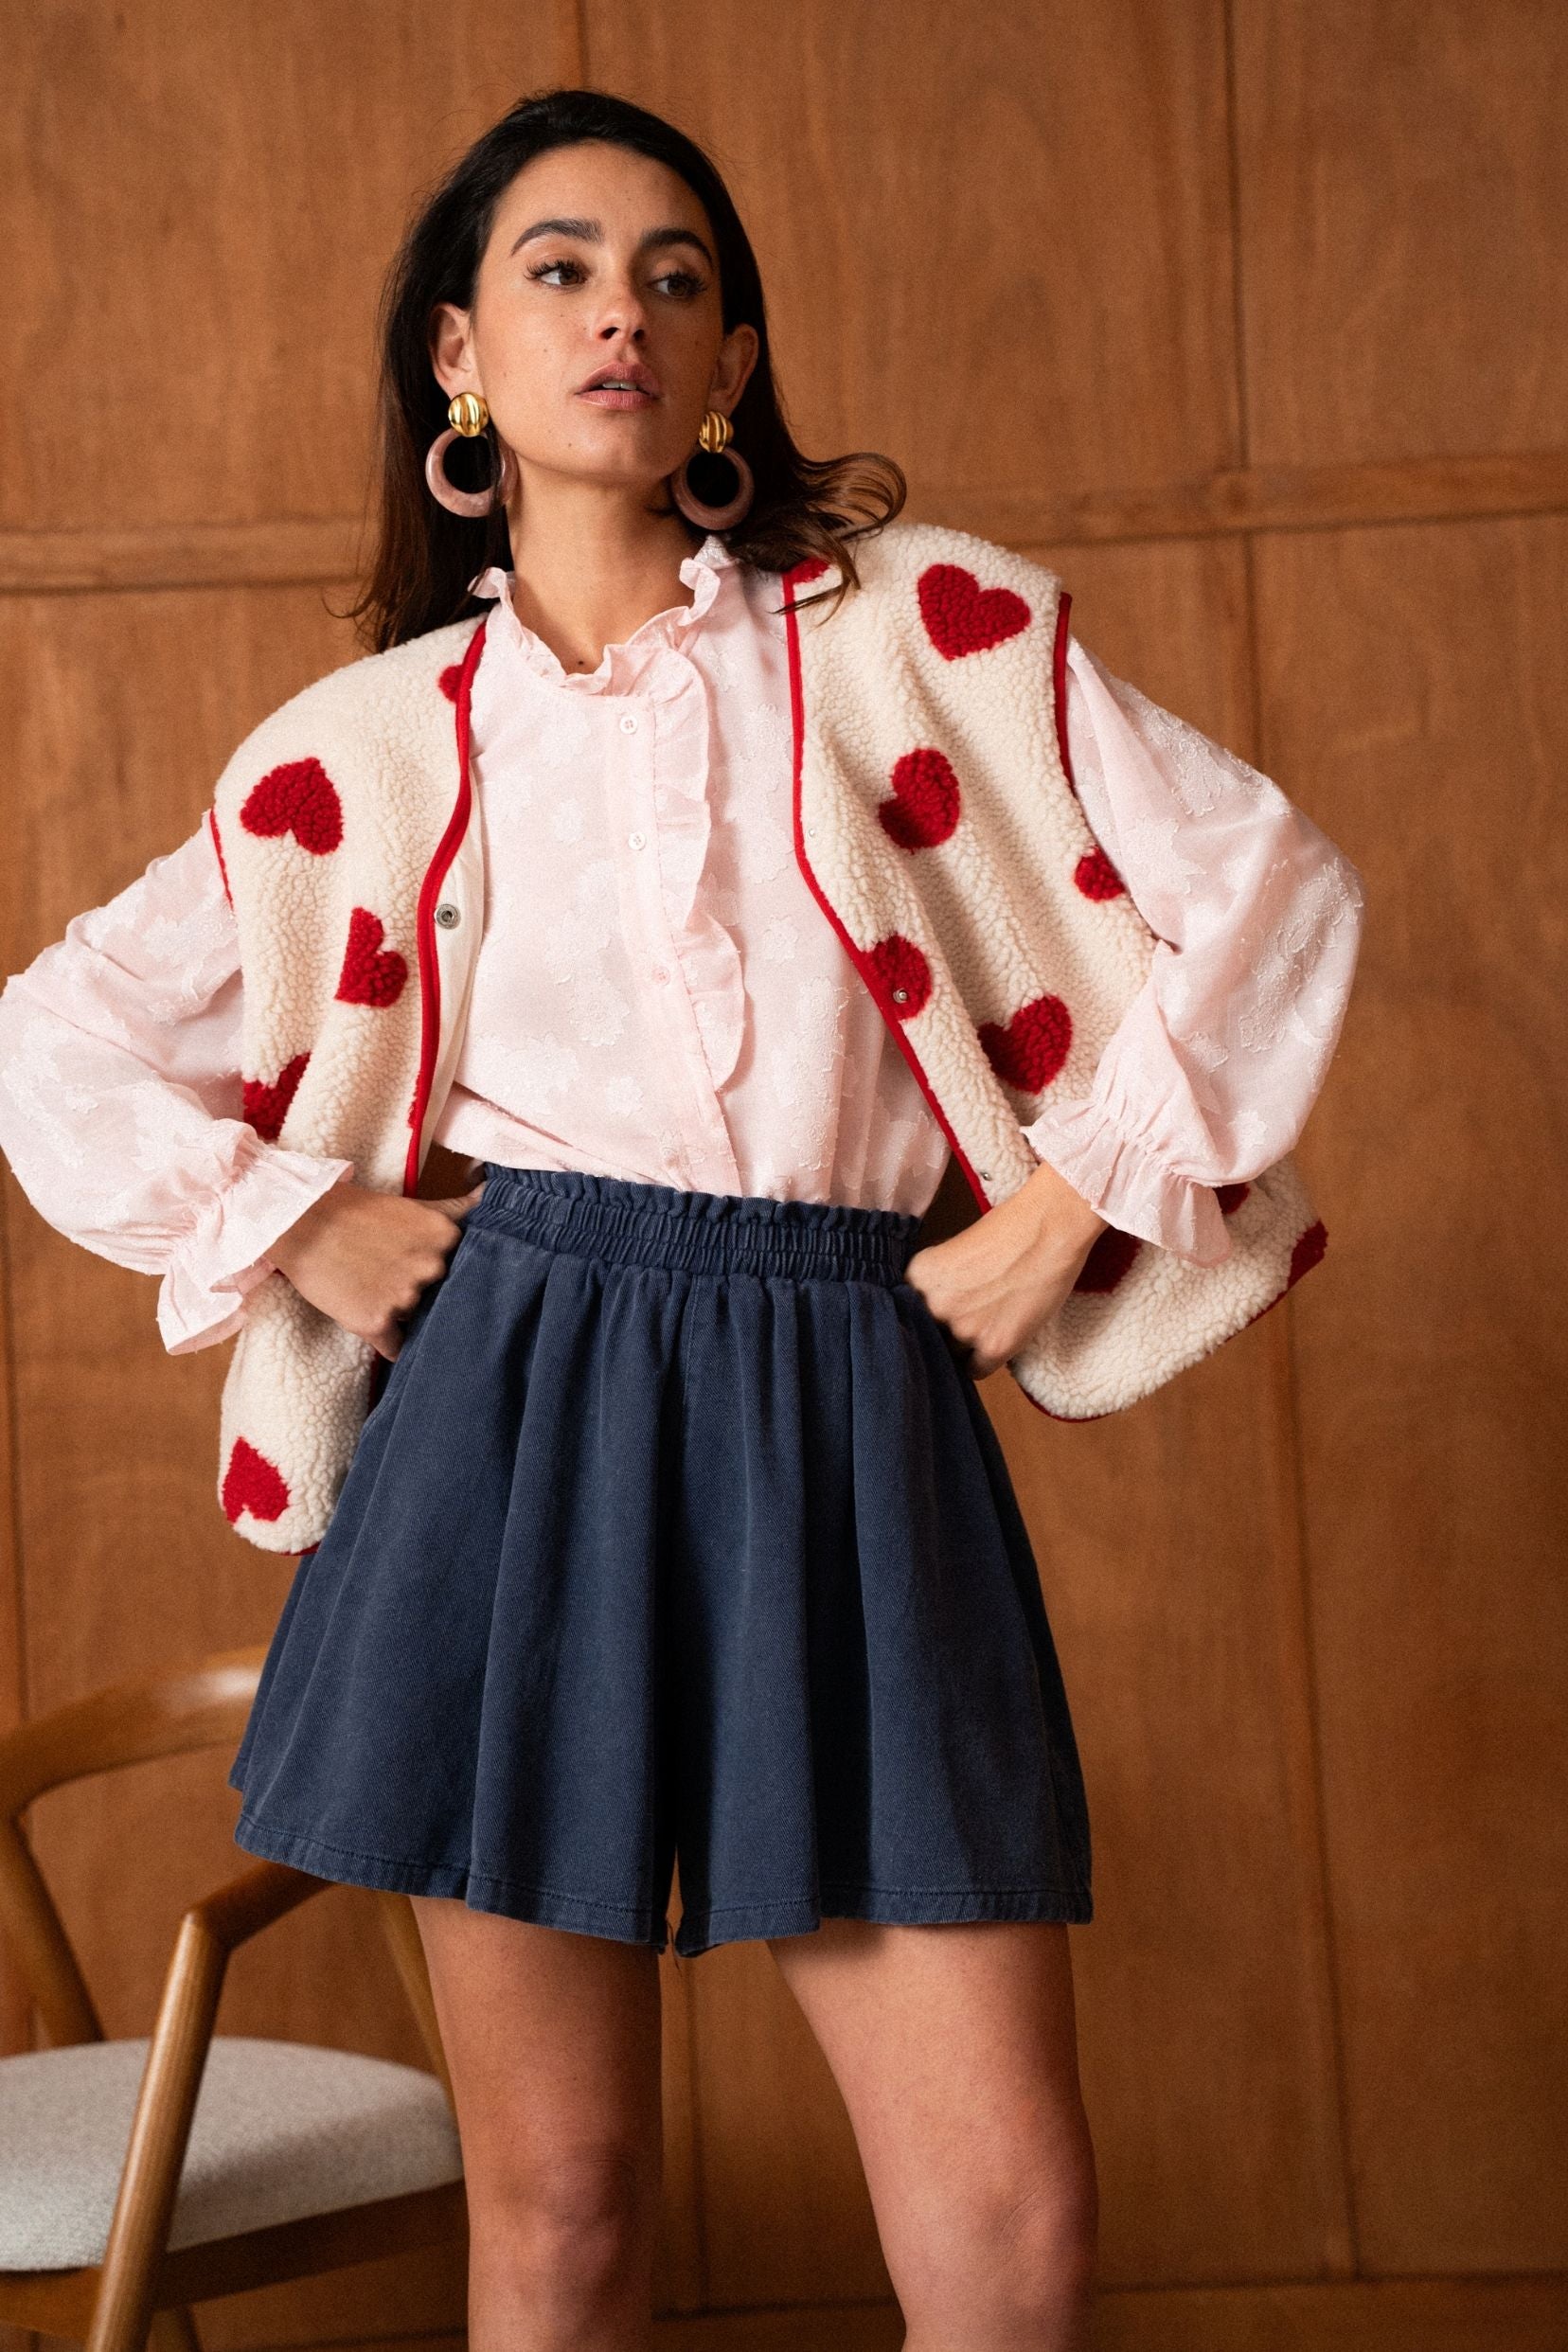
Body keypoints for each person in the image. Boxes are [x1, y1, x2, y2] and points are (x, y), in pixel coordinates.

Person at [0, 86, 1363, 2352]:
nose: (618, 314)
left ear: (731, 360)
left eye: (675, 276)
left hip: (852, 1398)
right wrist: (297, 1218)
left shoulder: (926, 634)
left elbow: (1269, 887)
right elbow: (52, 1034)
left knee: (1008, 2232)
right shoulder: (376, 740)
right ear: (462, 355)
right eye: (557, 271)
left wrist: (1071, 1204)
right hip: (509, 1411)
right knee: (566, 2218)